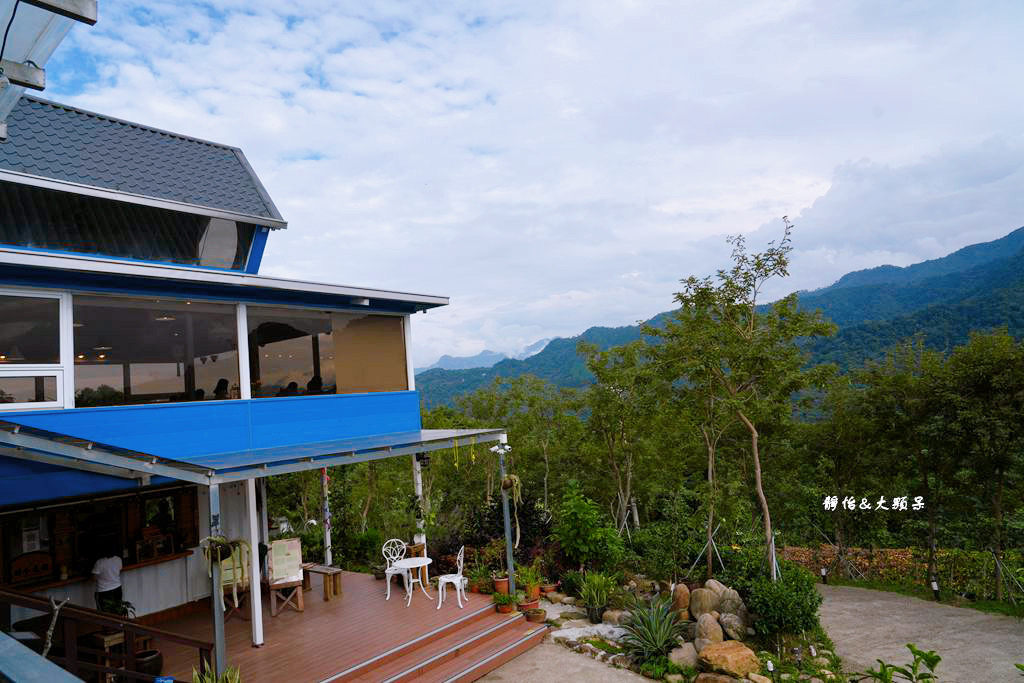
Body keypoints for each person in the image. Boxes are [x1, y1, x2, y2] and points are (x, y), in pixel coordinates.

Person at [92, 543, 123, 612]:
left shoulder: (99, 562)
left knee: (104, 615)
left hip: (103, 592)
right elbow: (119, 570)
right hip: (117, 589)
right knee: (117, 612)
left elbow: (94, 578)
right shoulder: (118, 559)